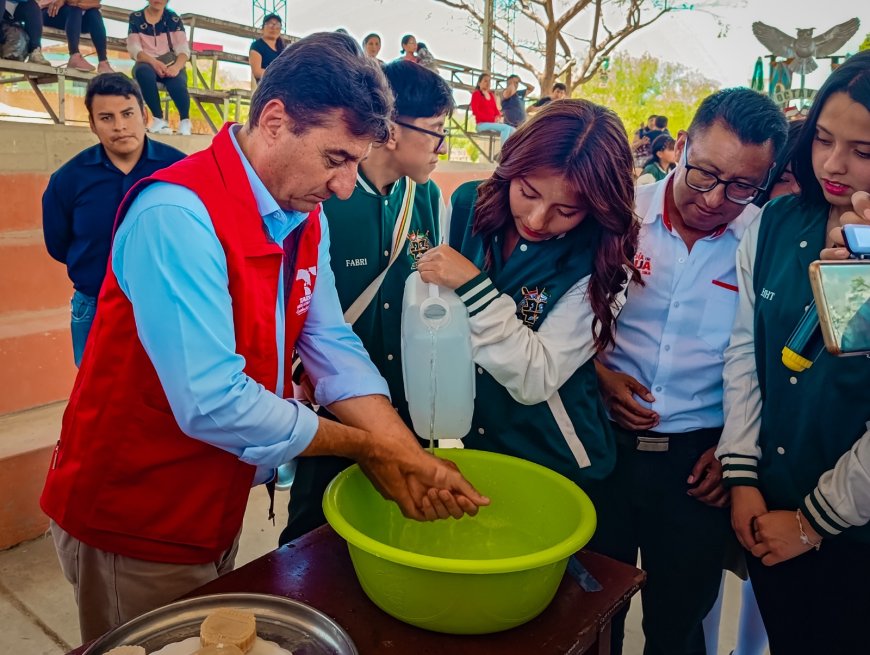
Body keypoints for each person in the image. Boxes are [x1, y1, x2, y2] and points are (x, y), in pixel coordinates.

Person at [40, 32, 488, 643]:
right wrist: (366, 447)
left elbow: (329, 342)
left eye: (356, 162)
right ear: (274, 121)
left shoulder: (303, 216)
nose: (345, 186)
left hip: (213, 501)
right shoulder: (178, 214)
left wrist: (404, 449)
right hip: (138, 511)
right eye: (336, 158)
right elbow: (213, 400)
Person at [593, 87, 787, 655]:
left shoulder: (763, 241)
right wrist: (598, 377)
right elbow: (564, 319)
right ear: (679, 146)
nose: (715, 199)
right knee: (590, 610)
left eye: (742, 186)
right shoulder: (618, 214)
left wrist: (735, 449)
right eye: (703, 173)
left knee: (678, 627)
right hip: (604, 450)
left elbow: (769, 364)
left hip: (699, 471)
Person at [717, 51, 870, 654]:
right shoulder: (777, 219)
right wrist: (743, 475)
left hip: (849, 528)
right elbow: (745, 352)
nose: (834, 165)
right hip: (770, 508)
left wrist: (815, 521)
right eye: (823, 139)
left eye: (865, 152)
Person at [417, 99, 639, 512]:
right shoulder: (469, 204)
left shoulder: (602, 262)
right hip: (479, 446)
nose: (538, 219)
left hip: (562, 465)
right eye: (528, 192)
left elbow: (535, 377)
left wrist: (473, 286)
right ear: (509, 169)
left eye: (567, 210)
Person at [279, 59, 454, 545]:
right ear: (393, 132)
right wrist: (299, 368)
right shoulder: (325, 197)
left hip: (409, 400)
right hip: (335, 402)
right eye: (436, 132)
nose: (443, 147)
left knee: (406, 518)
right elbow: (291, 293)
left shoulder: (427, 198)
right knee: (312, 533)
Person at [42, 73, 186, 367]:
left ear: (144, 115)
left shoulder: (181, 169)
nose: (119, 126)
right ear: (93, 125)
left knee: (165, 398)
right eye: (106, 118)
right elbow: (58, 244)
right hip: (94, 306)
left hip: (165, 305)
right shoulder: (68, 180)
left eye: (128, 113)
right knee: (97, 403)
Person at [127, 0, 191, 136]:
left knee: (177, 82)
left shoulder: (173, 19)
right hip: (146, 62)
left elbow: (183, 50)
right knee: (143, 73)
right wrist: (154, 63)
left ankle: (185, 120)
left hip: (170, 64)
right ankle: (158, 118)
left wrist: (176, 67)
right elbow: (134, 49)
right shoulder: (136, 18)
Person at [40, 0, 113, 72]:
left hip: (76, 17)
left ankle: (103, 62)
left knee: (94, 13)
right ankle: (74, 56)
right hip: (50, 11)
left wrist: (80, 3)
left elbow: (95, 3)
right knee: (75, 9)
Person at [470, 72, 514, 145]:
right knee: (506, 128)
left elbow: (496, 111)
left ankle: (511, 150)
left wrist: (498, 116)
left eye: (489, 81)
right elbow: (475, 112)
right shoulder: (476, 94)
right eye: (485, 81)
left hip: (492, 124)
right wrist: (492, 119)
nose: (488, 83)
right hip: (481, 125)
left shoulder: (491, 95)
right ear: (479, 83)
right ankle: (503, 153)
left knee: (514, 130)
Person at [249, 12, 284, 82]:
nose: (273, 27)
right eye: (270, 24)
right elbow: (257, 72)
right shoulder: (257, 46)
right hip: (267, 89)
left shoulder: (283, 49)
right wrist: (279, 75)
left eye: (277, 25)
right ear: (262, 29)